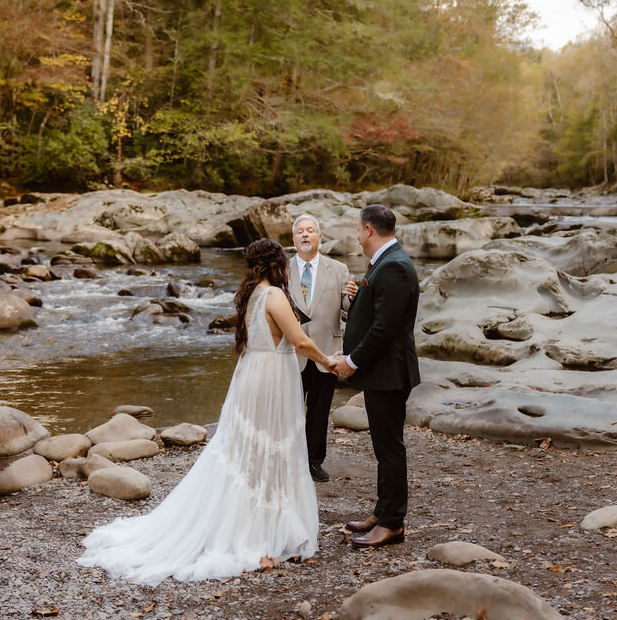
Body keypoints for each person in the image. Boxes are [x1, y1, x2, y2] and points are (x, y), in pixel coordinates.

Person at [78, 239, 335, 585]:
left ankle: (260, 516)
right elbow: (300, 341)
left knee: (250, 449)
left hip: (253, 374)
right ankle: (262, 527)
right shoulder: (274, 296)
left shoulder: (251, 294)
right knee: (272, 445)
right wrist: (329, 362)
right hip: (272, 378)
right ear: (276, 264)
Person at [329, 204, 420, 549]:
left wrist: (352, 361)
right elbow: (377, 313)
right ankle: (383, 512)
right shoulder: (386, 261)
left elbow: (384, 329)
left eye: (358, 229)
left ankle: (393, 524)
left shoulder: (394, 265)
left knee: (390, 448)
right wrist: (359, 297)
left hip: (390, 373)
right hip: (382, 372)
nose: (356, 234)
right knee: (384, 447)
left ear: (368, 230)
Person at [288, 214, 358, 483]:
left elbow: (348, 310)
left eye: (310, 231)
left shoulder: (338, 269)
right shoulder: (282, 269)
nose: (305, 235)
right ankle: (290, 460)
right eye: (300, 231)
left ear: (319, 238)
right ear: (294, 239)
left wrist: (354, 297)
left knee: (319, 411)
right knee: (289, 410)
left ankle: (314, 462)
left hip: (327, 352)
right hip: (291, 354)